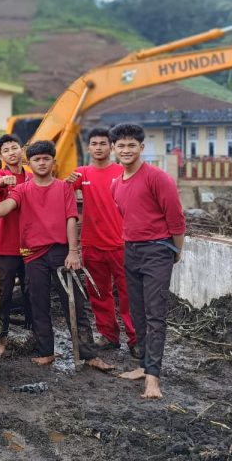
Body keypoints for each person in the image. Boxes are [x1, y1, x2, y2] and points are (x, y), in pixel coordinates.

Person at [0, 141, 114, 372]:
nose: (41, 163)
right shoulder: (22, 189)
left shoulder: (63, 188)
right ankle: (46, 351)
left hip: (61, 253)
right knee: (39, 304)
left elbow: (71, 218)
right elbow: (7, 205)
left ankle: (88, 354)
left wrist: (73, 251)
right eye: (37, 159)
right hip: (33, 256)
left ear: (53, 162)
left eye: (46, 159)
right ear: (31, 162)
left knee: (76, 305)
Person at [110, 123, 186, 399]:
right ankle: (143, 365)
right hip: (130, 250)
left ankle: (153, 378)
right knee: (137, 312)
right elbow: (127, 215)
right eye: (121, 145)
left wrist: (175, 252)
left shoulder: (157, 177)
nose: (126, 149)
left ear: (142, 147)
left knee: (155, 315)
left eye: (132, 145)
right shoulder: (116, 183)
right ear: (114, 149)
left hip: (158, 251)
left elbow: (176, 220)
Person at [66, 128, 138, 355]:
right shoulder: (82, 173)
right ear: (88, 147)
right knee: (99, 293)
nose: (98, 147)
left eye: (103, 143)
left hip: (122, 244)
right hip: (91, 244)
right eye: (94, 143)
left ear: (112, 147)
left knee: (129, 294)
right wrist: (67, 182)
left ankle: (136, 340)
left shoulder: (122, 171)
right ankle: (109, 335)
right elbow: (61, 193)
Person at [0, 134, 32, 356]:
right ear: (2, 155)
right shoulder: (0, 174)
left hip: (32, 244)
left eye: (15, 147)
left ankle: (34, 334)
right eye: (6, 150)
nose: (12, 152)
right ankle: (1, 339)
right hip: (6, 246)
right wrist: (4, 181)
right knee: (4, 294)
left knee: (32, 290)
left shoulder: (33, 176)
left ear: (21, 150)